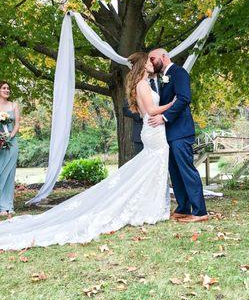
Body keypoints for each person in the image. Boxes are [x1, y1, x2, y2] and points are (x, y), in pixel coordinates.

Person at [0, 53, 174, 250]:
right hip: (153, 129)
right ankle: (149, 208)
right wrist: (173, 104)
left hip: (150, 130)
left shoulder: (141, 84)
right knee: (153, 167)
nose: (153, 64)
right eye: (149, 61)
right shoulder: (143, 85)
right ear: (143, 64)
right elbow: (151, 111)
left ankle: (149, 206)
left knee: (150, 169)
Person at [148, 48, 208, 223]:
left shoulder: (179, 72)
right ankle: (183, 207)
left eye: (153, 59)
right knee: (174, 171)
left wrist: (164, 117)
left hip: (180, 131)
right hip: (168, 133)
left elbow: (184, 98)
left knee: (186, 170)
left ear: (164, 57)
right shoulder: (161, 77)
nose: (151, 62)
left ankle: (199, 211)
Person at [123, 75, 160, 155]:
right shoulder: (136, 85)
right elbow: (126, 109)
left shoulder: (164, 81)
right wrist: (142, 115)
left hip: (162, 133)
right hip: (141, 134)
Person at [0, 81, 20, 218]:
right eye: (4, 88)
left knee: (9, 175)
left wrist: (10, 136)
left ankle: (8, 206)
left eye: (8, 88)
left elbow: (17, 124)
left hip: (11, 143)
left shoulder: (14, 105)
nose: (7, 90)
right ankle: (1, 206)